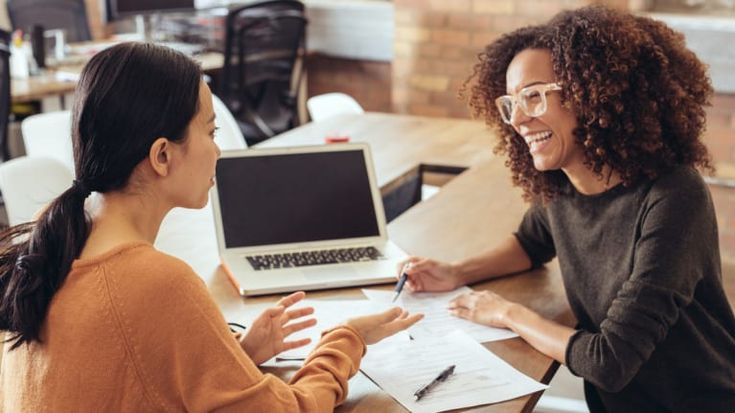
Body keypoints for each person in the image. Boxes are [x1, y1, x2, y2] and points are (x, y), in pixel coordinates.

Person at [0, 42, 422, 412]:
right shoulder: (156, 282)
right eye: (211, 131)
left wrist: (238, 353)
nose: (219, 150)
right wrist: (345, 340)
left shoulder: (55, 240)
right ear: (162, 155)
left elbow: (124, 374)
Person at [400, 6, 735, 412]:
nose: (519, 118)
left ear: (592, 95)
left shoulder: (673, 195)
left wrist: (507, 313)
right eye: (511, 103)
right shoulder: (562, 184)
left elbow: (609, 361)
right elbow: (530, 244)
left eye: (535, 96)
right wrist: (455, 272)